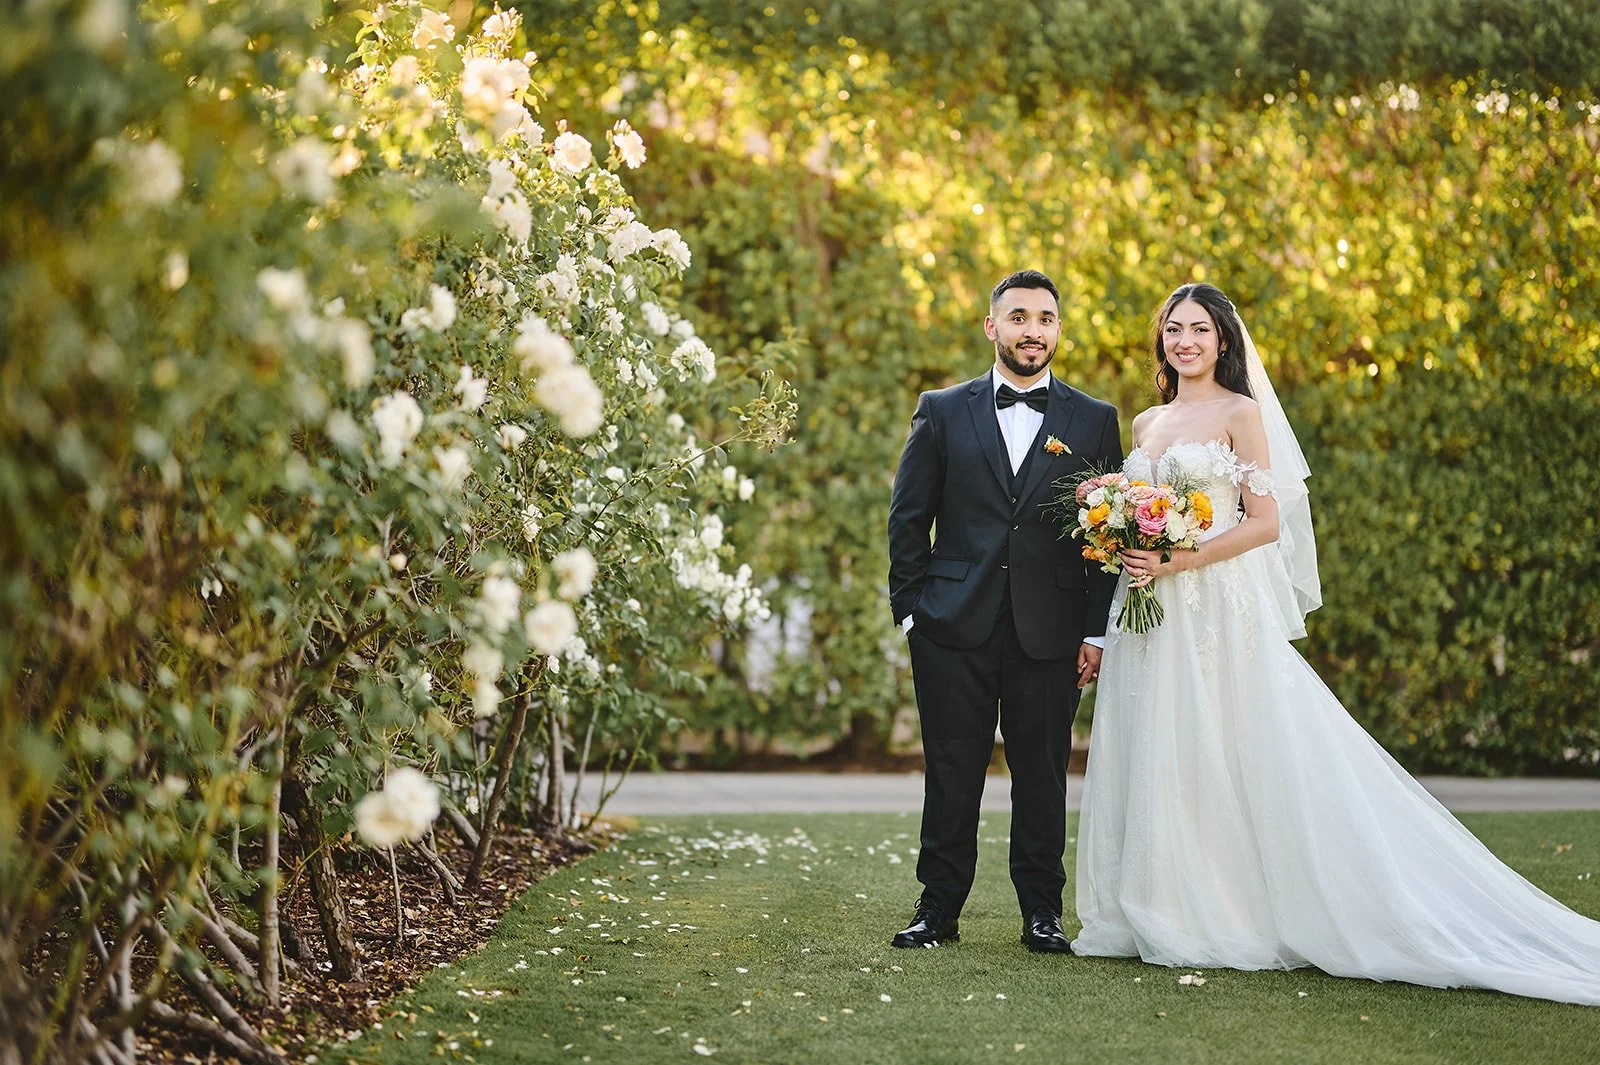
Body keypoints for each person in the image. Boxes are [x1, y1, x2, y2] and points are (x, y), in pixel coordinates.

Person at [1073, 282, 1600, 1005]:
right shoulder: (1146, 420)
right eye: (1173, 328)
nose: (1184, 339)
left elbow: (1263, 523)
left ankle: (1224, 910)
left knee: (1224, 745)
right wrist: (1122, 537)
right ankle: (1156, 904)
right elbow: (1145, 510)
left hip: (1212, 609)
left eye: (1199, 328)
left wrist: (1181, 559)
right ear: (1160, 339)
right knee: (1157, 744)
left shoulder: (1241, 413)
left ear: (1224, 340)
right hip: (1148, 609)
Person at [887, 269, 1122, 951]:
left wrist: (1093, 629)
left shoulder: (1095, 419)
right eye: (1018, 317)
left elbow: (1104, 539)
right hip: (951, 625)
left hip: (1049, 632)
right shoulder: (941, 407)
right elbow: (908, 519)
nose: (1032, 330)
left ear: (1057, 330)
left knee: (1043, 777)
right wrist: (913, 612)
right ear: (993, 327)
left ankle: (1042, 913)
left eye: (1045, 318)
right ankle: (939, 909)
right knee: (952, 770)